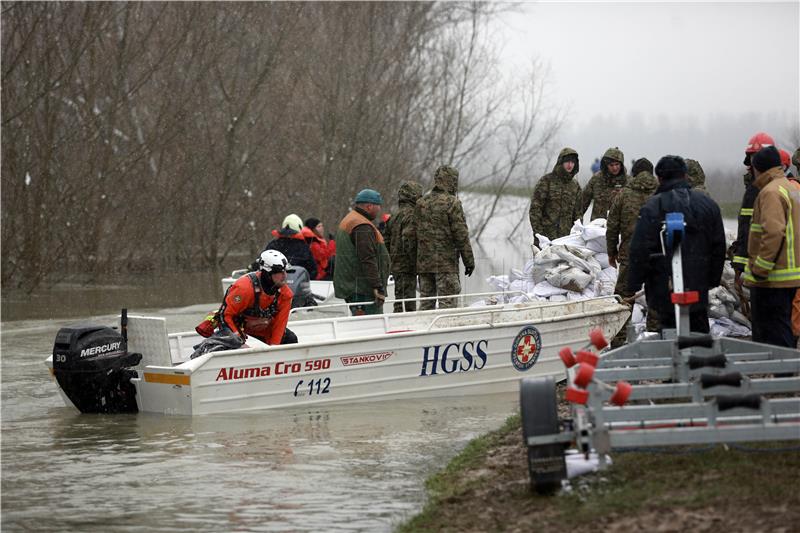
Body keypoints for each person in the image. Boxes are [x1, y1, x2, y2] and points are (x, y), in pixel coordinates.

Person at [627, 155, 726, 334]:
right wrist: (712, 279)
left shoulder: (653, 207)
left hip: (663, 288)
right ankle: (700, 360)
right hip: (698, 285)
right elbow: (718, 246)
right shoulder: (708, 205)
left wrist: (634, 282)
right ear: (685, 176)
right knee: (699, 334)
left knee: (669, 336)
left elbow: (639, 248)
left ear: (659, 178)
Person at [743, 146, 800, 348]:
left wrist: (760, 268)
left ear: (758, 169)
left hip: (773, 276)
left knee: (773, 331)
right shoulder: (791, 187)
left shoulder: (770, 192)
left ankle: (781, 374)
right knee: (783, 325)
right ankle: (785, 371)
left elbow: (774, 232)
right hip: (791, 273)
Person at [605, 157, 658, 345]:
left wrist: (611, 252)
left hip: (630, 254)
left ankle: (618, 342)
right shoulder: (661, 193)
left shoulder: (624, 194)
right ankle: (654, 340)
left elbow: (612, 226)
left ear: (633, 174)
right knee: (656, 297)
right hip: (657, 254)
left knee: (624, 298)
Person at [412, 165, 475, 310]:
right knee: (447, 306)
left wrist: (415, 262)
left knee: (426, 305)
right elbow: (461, 235)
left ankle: (424, 331)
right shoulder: (452, 203)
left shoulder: (421, 203)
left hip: (424, 266)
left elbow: (412, 234)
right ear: (452, 182)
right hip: (445, 265)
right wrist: (469, 261)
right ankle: (445, 332)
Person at [333, 188, 391, 315]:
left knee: (361, 326)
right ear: (369, 206)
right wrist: (377, 286)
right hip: (362, 290)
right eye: (378, 206)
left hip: (354, 287)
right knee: (370, 327)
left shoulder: (351, 219)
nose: (379, 209)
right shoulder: (362, 226)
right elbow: (367, 258)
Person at [219, 250, 296, 345]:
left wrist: (274, 349)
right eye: (279, 272)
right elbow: (225, 316)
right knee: (233, 345)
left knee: (290, 339)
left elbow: (279, 326)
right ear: (267, 273)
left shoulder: (285, 295)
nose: (284, 275)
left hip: (261, 326)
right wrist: (238, 342)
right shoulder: (244, 288)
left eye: (285, 271)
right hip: (234, 325)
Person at [731, 132, 775, 285]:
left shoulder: (761, 190)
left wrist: (743, 264)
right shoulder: (787, 186)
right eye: (753, 157)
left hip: (764, 271)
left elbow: (751, 229)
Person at [528, 147, 583, 247]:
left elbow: (578, 214)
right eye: (567, 162)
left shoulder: (575, 186)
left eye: (572, 162)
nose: (570, 165)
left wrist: (577, 235)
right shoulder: (546, 181)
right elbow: (535, 210)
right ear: (561, 162)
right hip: (545, 238)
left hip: (566, 241)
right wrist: (539, 235)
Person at [384, 180, 423, 312]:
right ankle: (407, 326)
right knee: (409, 301)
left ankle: (397, 324)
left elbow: (386, 242)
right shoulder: (412, 215)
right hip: (407, 266)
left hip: (396, 264)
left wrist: (391, 261)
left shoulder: (393, 216)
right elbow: (409, 241)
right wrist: (415, 262)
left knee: (399, 298)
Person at [263, 214, 318, 280]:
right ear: (299, 227)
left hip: (275, 286)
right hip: (297, 285)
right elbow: (313, 270)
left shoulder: (273, 244)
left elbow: (262, 264)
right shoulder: (303, 247)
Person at [581, 147, 629, 221]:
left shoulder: (628, 181)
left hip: (620, 227)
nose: (615, 168)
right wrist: (576, 222)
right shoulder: (596, 179)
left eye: (617, 164)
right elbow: (583, 202)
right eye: (611, 165)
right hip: (598, 227)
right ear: (606, 165)